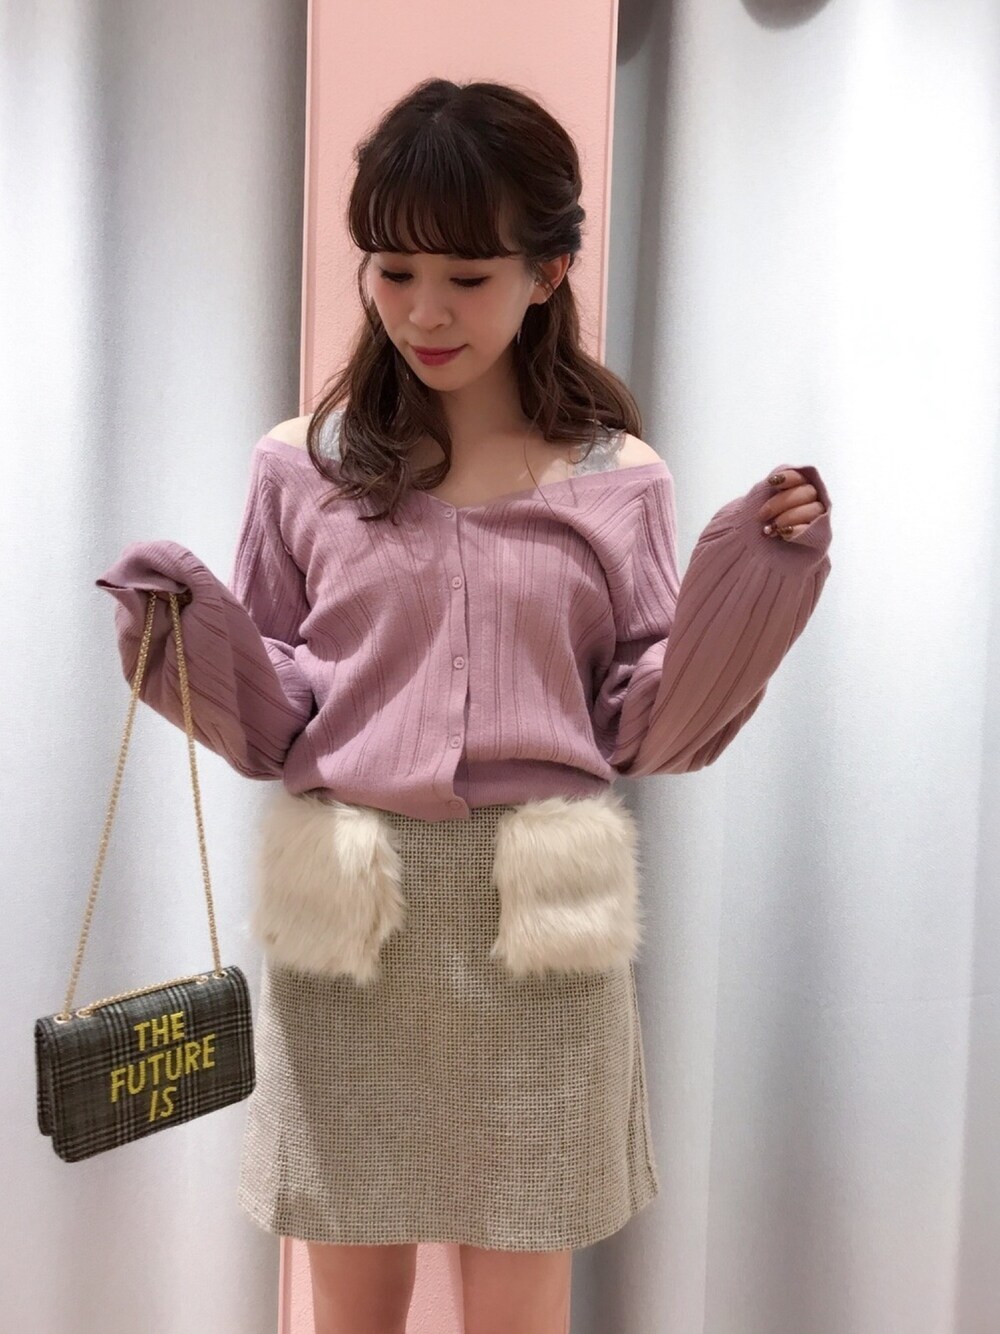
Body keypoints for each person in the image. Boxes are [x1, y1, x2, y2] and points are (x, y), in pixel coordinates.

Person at [95, 78, 832, 1334]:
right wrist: (177, 635)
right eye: (392, 270)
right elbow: (278, 709)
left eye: (468, 276)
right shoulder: (303, 464)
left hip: (538, 935)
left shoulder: (617, 479)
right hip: (352, 928)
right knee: (349, 1300)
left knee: (517, 1302)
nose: (423, 311)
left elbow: (647, 719)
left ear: (549, 271)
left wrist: (756, 578)